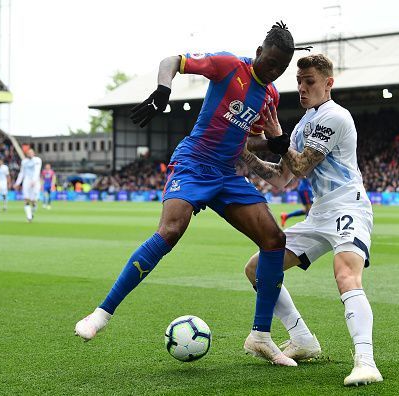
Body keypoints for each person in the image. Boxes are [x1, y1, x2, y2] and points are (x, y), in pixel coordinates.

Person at [75, 22, 312, 367]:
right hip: (194, 162)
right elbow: (172, 60)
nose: (274, 71)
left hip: (227, 173)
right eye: (271, 62)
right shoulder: (230, 66)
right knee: (171, 230)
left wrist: (276, 141)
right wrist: (162, 89)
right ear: (260, 52)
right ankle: (101, 314)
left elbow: (250, 138)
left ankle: (261, 336)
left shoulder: (270, 96)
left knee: (274, 239)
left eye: (281, 68)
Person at [241, 54, 383, 386]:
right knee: (257, 268)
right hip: (319, 212)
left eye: (310, 82)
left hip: (348, 205)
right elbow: (281, 177)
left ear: (328, 83)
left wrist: (277, 141)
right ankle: (302, 339)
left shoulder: (335, 116)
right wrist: (245, 155)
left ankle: (366, 362)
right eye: (299, 83)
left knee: (345, 274)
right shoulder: (305, 123)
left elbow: (303, 165)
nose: (303, 89)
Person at [13, 148, 42, 222]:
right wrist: (17, 183)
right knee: (26, 199)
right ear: (26, 154)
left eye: (31, 152)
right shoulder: (24, 161)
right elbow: (22, 173)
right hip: (27, 180)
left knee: (34, 201)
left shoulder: (37, 160)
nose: (30, 154)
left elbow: (37, 171)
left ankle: (33, 209)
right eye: (29, 153)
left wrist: (34, 181)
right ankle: (29, 217)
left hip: (35, 181)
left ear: (34, 153)